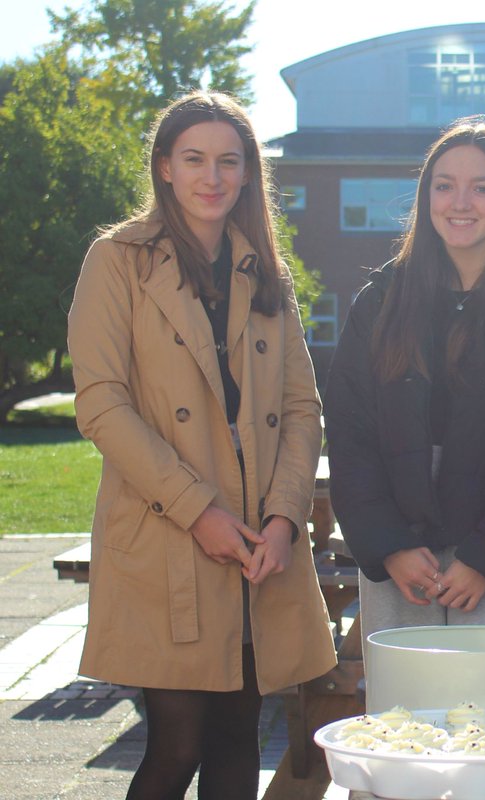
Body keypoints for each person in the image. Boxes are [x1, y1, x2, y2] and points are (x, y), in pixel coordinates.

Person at [67, 90, 336, 800]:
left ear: (249, 173)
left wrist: (284, 518)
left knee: (238, 740)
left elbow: (302, 406)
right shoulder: (117, 260)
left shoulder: (267, 273)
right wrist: (199, 511)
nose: (211, 177)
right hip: (167, 537)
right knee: (176, 744)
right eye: (193, 159)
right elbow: (100, 402)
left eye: (228, 160)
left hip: (257, 546)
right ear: (163, 168)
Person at [323, 118, 485, 639]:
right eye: (444, 186)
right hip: (401, 562)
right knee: (403, 717)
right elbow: (350, 434)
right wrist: (389, 546)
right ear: (426, 197)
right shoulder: (379, 305)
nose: (460, 202)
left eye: (481, 188)